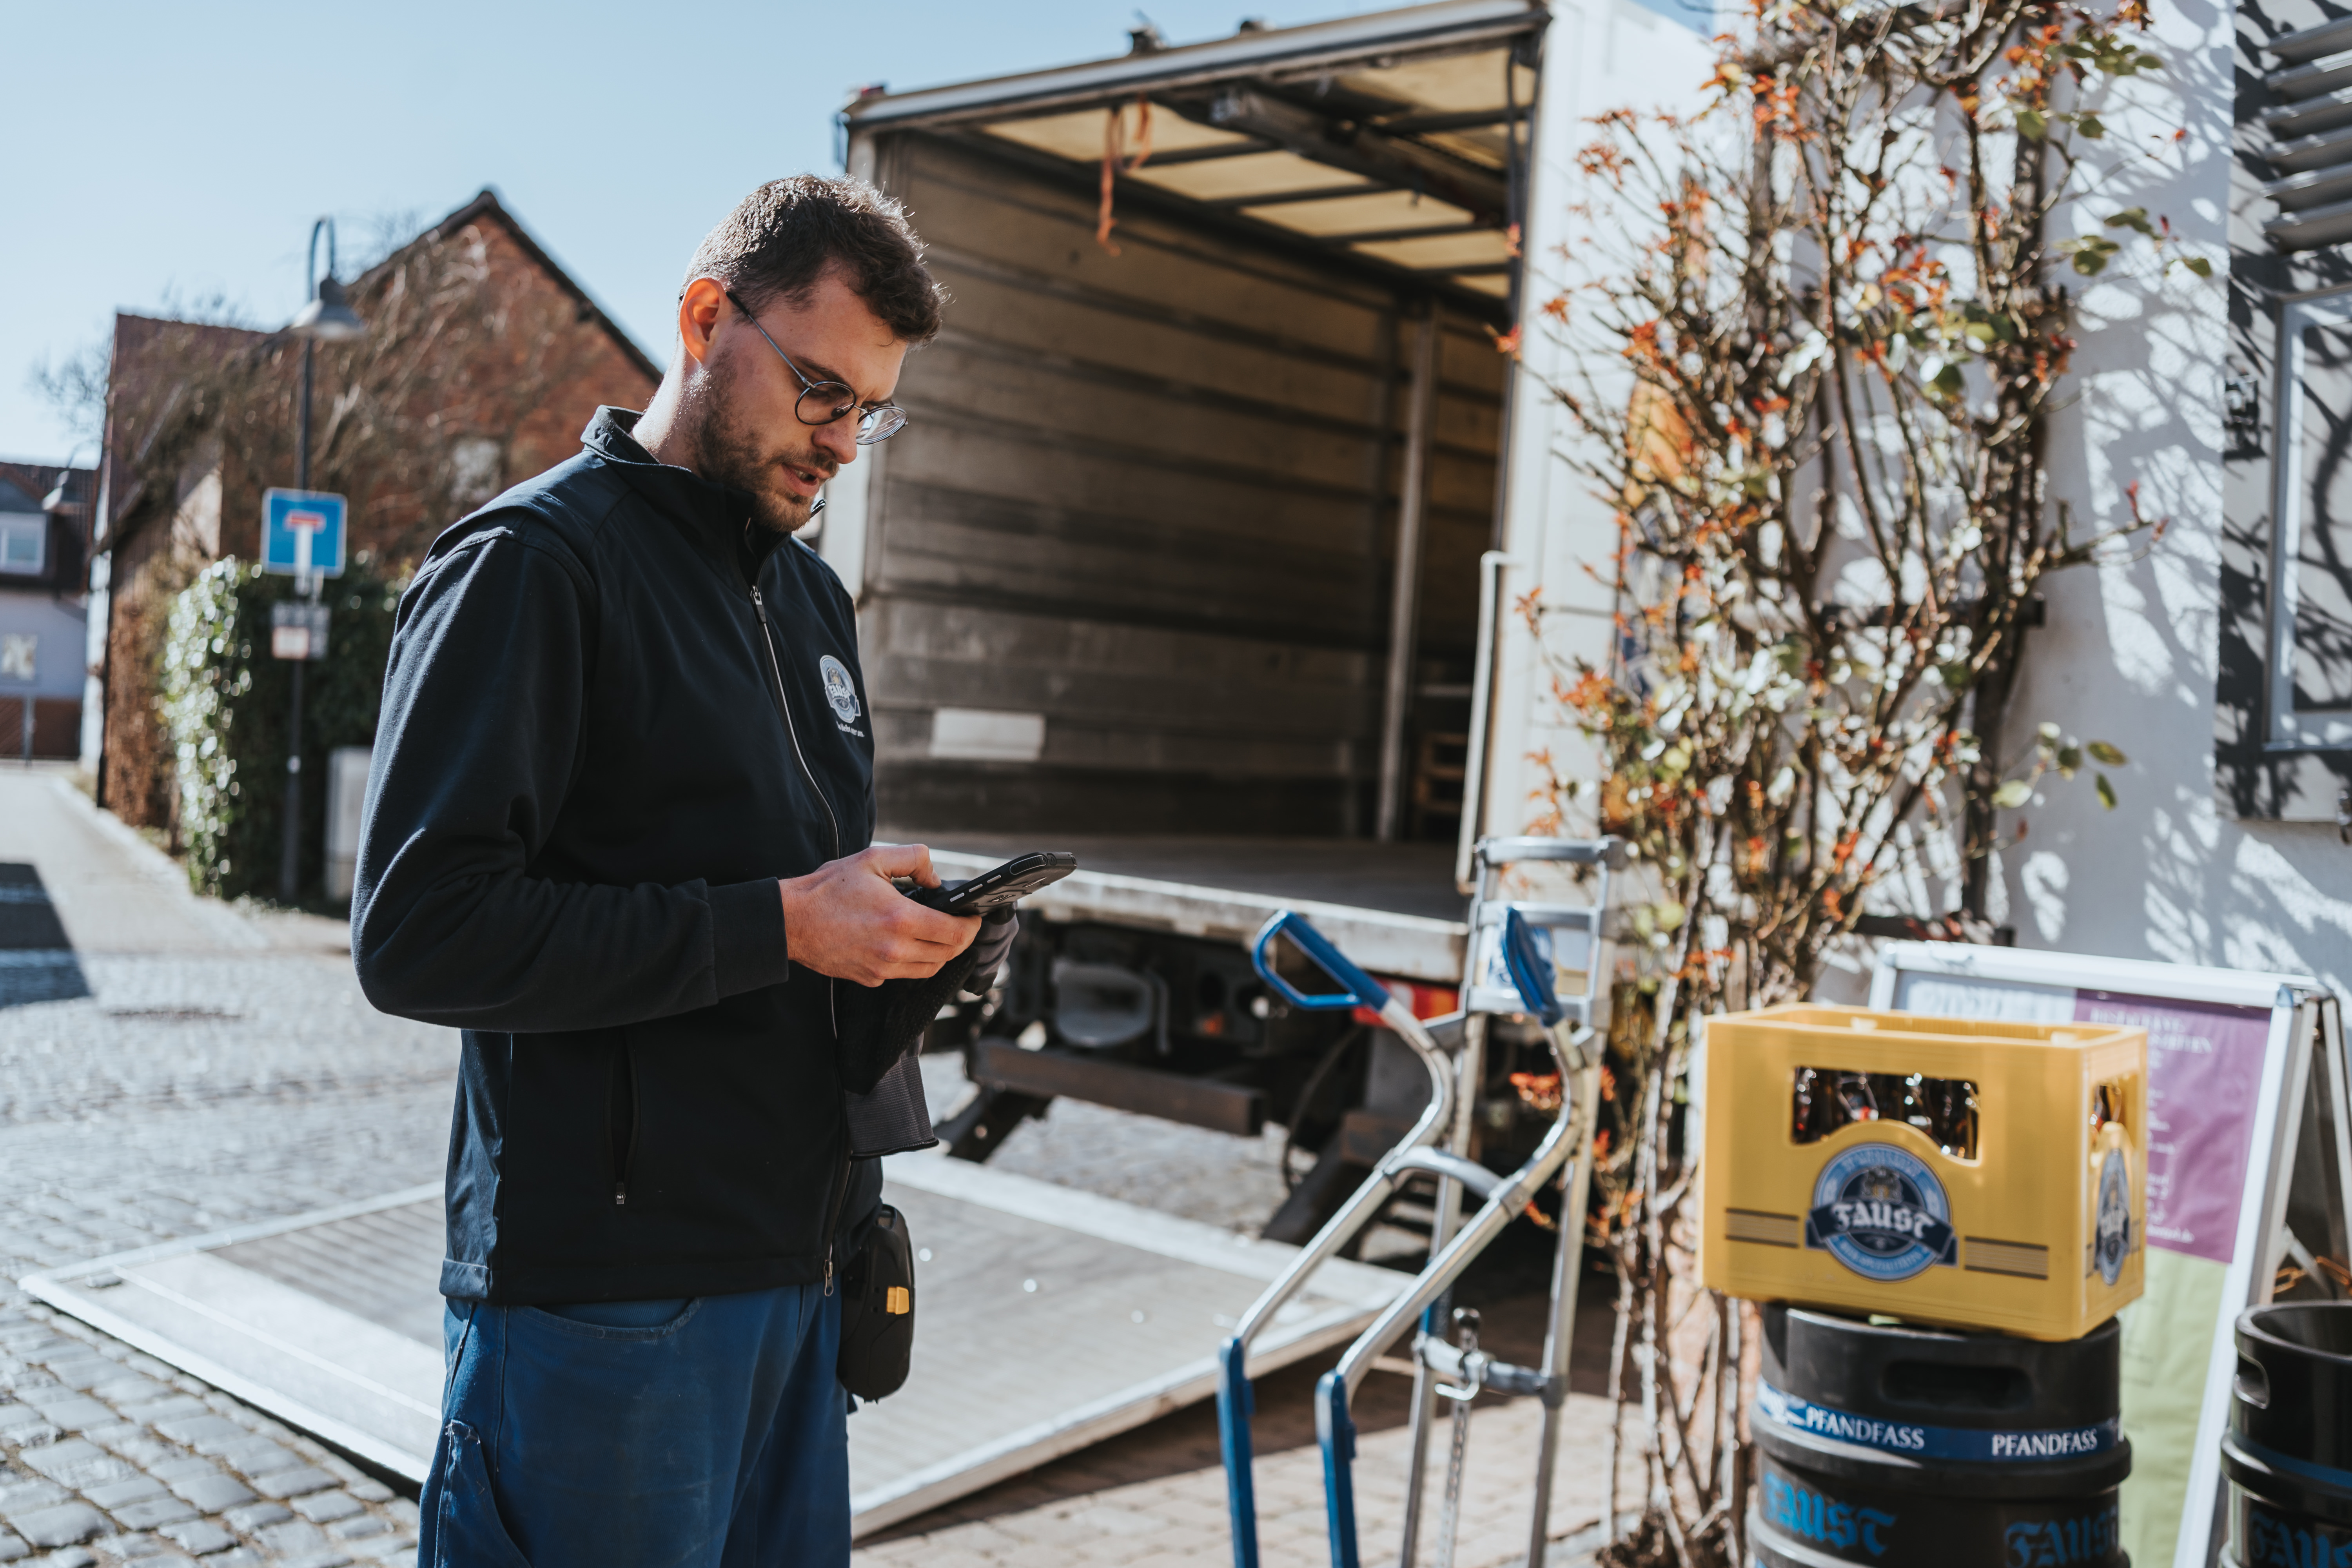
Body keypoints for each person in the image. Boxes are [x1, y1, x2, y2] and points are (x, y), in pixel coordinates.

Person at [352, 176, 1009, 1566]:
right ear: (707, 319)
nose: (841, 441)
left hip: (798, 1275)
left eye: (869, 411)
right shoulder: (532, 568)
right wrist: (782, 925)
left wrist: (910, 951)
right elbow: (421, 935)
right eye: (820, 389)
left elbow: (792, 939)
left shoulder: (813, 600)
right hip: (606, 1310)